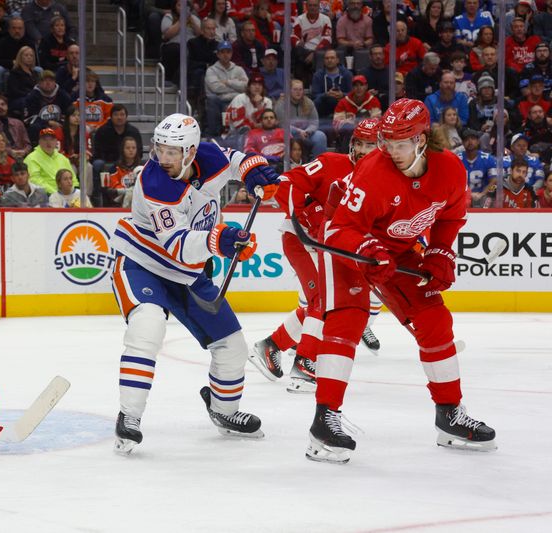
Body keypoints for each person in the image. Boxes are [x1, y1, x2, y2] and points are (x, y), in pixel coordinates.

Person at [305, 98, 496, 464]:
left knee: (434, 320)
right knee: (349, 316)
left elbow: (450, 216)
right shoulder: (373, 171)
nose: (392, 151)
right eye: (386, 143)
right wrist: (367, 249)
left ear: (423, 139)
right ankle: (324, 420)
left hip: (396, 250)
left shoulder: (450, 170)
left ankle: (449, 414)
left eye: (400, 143)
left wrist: (440, 251)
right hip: (348, 243)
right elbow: (342, 229)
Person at [110, 113, 281, 455]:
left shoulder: (208, 154)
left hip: (188, 275)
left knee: (232, 346)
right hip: (142, 264)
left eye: (173, 152)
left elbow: (235, 160)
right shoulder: (155, 182)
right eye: (160, 149)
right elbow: (177, 244)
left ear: (190, 151)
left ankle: (224, 410)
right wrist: (222, 240)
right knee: (148, 328)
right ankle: (129, 417)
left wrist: (254, 169)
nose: (164, 158)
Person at [249, 119, 383, 392]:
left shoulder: (381, 180)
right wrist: (301, 214)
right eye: (361, 143)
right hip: (302, 240)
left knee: (324, 301)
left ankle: (270, 346)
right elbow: (288, 182)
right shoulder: (331, 162)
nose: (366, 150)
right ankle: (305, 363)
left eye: (372, 145)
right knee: (322, 300)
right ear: (353, 144)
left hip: (331, 247)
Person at [204, 40, 249, 137]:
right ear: (218, 54)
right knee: (212, 99)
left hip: (236, 100)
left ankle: (241, 132)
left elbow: (246, 86)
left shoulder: (239, 69)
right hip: (220, 101)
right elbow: (216, 88)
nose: (225, 55)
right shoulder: (211, 70)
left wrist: (228, 82)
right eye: (222, 52)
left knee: (244, 98)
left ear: (232, 53)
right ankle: (214, 134)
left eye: (228, 52)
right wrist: (237, 84)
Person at [332, 75, 382, 152]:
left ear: (366, 86)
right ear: (352, 87)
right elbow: (336, 123)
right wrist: (351, 122)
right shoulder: (344, 102)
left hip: (369, 135)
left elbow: (377, 121)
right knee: (347, 128)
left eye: (361, 85)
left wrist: (363, 124)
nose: (358, 88)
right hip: (349, 136)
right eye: (356, 85)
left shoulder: (373, 101)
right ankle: (347, 157)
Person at [24, 127, 77, 194]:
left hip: (66, 194)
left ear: (56, 142)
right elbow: (34, 180)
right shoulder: (31, 159)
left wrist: (73, 192)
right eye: (45, 140)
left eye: (51, 139)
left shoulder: (63, 158)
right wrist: (55, 193)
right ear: (39, 142)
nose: (48, 143)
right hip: (44, 195)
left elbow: (73, 178)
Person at [0, 16, 34, 95]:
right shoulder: (2, 42)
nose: (17, 31)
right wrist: (13, 62)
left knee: (39, 70)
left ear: (24, 30)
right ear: (9, 30)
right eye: (14, 28)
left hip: (27, 68)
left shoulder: (30, 43)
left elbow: (35, 61)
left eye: (20, 28)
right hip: (8, 67)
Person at [458, 128, 497, 208]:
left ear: (478, 141)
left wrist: (482, 194)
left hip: (484, 196)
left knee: (490, 198)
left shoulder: (488, 159)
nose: (470, 142)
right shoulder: (457, 160)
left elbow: (494, 181)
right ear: (462, 143)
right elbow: (453, 183)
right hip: (462, 196)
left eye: (473, 139)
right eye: (466, 139)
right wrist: (467, 194)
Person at [0, 94, 31, 160]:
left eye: (3, 104)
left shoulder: (18, 123)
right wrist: (10, 152)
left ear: (7, 106)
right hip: (1, 157)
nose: (1, 107)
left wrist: (24, 151)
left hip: (21, 156)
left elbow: (28, 144)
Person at [102, 136, 141, 208]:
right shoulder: (115, 168)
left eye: (133, 148)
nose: (131, 150)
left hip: (138, 200)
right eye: (128, 148)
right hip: (120, 199)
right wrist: (128, 191)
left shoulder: (141, 167)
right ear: (122, 149)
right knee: (130, 194)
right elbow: (114, 187)